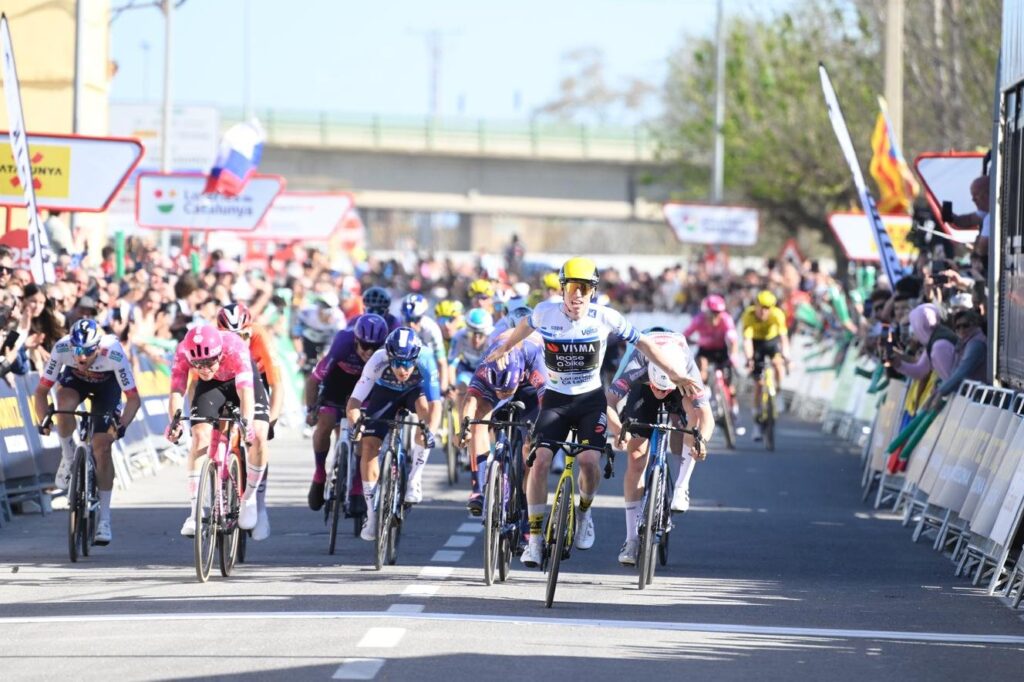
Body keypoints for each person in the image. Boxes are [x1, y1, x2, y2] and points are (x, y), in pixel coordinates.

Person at [486, 257, 704, 568]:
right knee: (540, 462)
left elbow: (644, 344)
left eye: (585, 289)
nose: (578, 295)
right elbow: (524, 326)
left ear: (593, 291)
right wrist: (506, 347)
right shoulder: (545, 312)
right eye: (572, 287)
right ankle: (534, 540)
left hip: (590, 401)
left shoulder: (605, 317)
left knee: (589, 463)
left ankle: (585, 514)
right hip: (556, 401)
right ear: (562, 288)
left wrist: (675, 373)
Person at [606, 331, 714, 565]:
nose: (661, 394)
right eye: (658, 388)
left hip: (679, 384)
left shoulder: (686, 367)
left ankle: (682, 486)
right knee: (636, 457)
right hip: (643, 385)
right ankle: (631, 540)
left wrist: (702, 441)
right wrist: (618, 430)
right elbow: (609, 402)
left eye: (664, 391)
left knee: (692, 421)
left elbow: (707, 416)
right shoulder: (639, 363)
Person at [33, 319, 141, 545]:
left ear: (98, 348)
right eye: (77, 350)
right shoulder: (62, 348)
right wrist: (43, 419)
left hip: (107, 388)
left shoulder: (114, 353)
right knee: (63, 404)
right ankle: (68, 457)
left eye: (88, 351)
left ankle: (105, 520)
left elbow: (133, 399)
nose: (81, 357)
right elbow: (41, 392)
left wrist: (121, 425)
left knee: (102, 448)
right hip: (75, 382)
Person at [165, 325, 265, 538]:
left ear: (220, 353)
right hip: (212, 387)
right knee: (200, 435)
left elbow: (245, 392)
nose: (204, 369)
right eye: (197, 364)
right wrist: (174, 423)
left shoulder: (235, 346)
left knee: (257, 434)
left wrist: (246, 424)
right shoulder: (183, 351)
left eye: (209, 362)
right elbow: (176, 391)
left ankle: (250, 499)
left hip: (242, 382)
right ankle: (196, 513)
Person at [346, 328, 441, 541]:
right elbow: (354, 402)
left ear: (415, 358)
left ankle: (415, 479)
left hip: (414, 392)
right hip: (385, 393)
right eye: (396, 362)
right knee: (368, 445)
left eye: (407, 363)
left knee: (425, 414)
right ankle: (372, 515)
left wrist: (430, 430)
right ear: (388, 356)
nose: (402, 369)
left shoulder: (426, 358)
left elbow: (436, 404)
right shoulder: (378, 359)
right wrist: (355, 424)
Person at [304, 313, 389, 511]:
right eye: (365, 346)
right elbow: (314, 380)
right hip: (339, 381)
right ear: (356, 340)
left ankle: (358, 485)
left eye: (375, 347)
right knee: (325, 424)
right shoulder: (343, 342)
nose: (369, 352)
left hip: (367, 387)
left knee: (364, 434)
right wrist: (311, 409)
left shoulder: (384, 353)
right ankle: (319, 474)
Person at [461, 331, 546, 516]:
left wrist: (537, 433)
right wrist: (464, 429)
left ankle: (526, 508)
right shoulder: (488, 362)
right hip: (497, 380)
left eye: (505, 393)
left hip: (529, 387)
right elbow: (470, 398)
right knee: (478, 418)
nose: (503, 396)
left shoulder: (534, 357)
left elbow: (546, 401)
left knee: (533, 447)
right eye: (501, 392)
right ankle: (478, 489)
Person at [216, 302, 282, 541]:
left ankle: (258, 504)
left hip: (255, 379)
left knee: (257, 436)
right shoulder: (212, 340)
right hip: (224, 379)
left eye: (242, 335)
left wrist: (270, 421)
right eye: (229, 336)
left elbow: (276, 384)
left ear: (249, 331)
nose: (235, 341)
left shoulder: (260, 337)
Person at [740, 290, 790, 440]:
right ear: (756, 305)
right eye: (761, 307)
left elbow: (783, 338)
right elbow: (747, 341)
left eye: (768, 308)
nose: (764, 311)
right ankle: (756, 420)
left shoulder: (778, 315)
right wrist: (749, 359)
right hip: (756, 344)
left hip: (771, 341)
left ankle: (778, 392)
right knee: (759, 384)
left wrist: (786, 355)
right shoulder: (748, 315)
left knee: (777, 363)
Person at [926, 308, 987, 410]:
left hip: (980, 400)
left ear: (975, 324)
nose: (961, 330)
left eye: (965, 325)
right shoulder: (964, 343)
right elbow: (954, 371)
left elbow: (962, 371)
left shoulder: (976, 344)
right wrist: (938, 385)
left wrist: (941, 392)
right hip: (972, 398)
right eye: (957, 327)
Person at [400, 293, 450, 400]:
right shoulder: (401, 325)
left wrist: (443, 389)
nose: (411, 325)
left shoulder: (432, 329)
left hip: (428, 368)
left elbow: (441, 362)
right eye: (408, 320)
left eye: (415, 320)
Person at [683, 294, 739, 386]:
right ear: (706, 312)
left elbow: (733, 337)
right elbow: (685, 335)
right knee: (702, 369)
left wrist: (734, 355)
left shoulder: (726, 319)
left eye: (718, 313)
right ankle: (702, 388)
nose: (715, 316)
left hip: (721, 350)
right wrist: (693, 342)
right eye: (712, 312)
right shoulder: (699, 320)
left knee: (728, 381)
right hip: (705, 351)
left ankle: (730, 393)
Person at [447, 308, 493, 417]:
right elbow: (451, 364)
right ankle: (462, 421)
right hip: (468, 369)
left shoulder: (493, 337)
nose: (476, 339)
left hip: (486, 371)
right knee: (461, 384)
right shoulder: (458, 336)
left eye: (480, 335)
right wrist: (452, 386)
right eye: (472, 334)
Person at [294, 292, 345, 378]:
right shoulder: (308, 312)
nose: (321, 309)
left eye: (325, 306)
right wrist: (300, 353)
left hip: (324, 342)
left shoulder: (339, 320)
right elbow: (296, 334)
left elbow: (335, 342)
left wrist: (324, 354)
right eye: (320, 305)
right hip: (306, 340)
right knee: (300, 365)